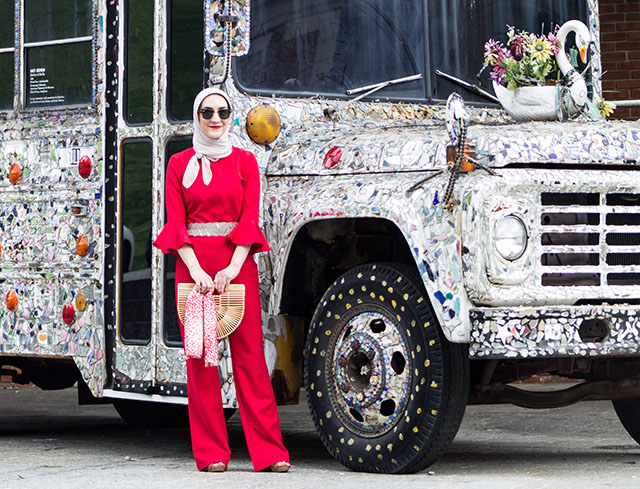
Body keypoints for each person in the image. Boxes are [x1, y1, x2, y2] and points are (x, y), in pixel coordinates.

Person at [153, 87, 290, 473]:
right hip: (193, 269)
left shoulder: (246, 161)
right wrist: (197, 270)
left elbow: (249, 219)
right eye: (208, 112)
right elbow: (175, 222)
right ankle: (211, 453)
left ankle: (270, 453)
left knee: (251, 360)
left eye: (223, 112)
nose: (216, 119)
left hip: (237, 268)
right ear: (196, 117)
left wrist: (231, 268)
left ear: (231, 117)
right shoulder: (179, 164)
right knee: (201, 362)